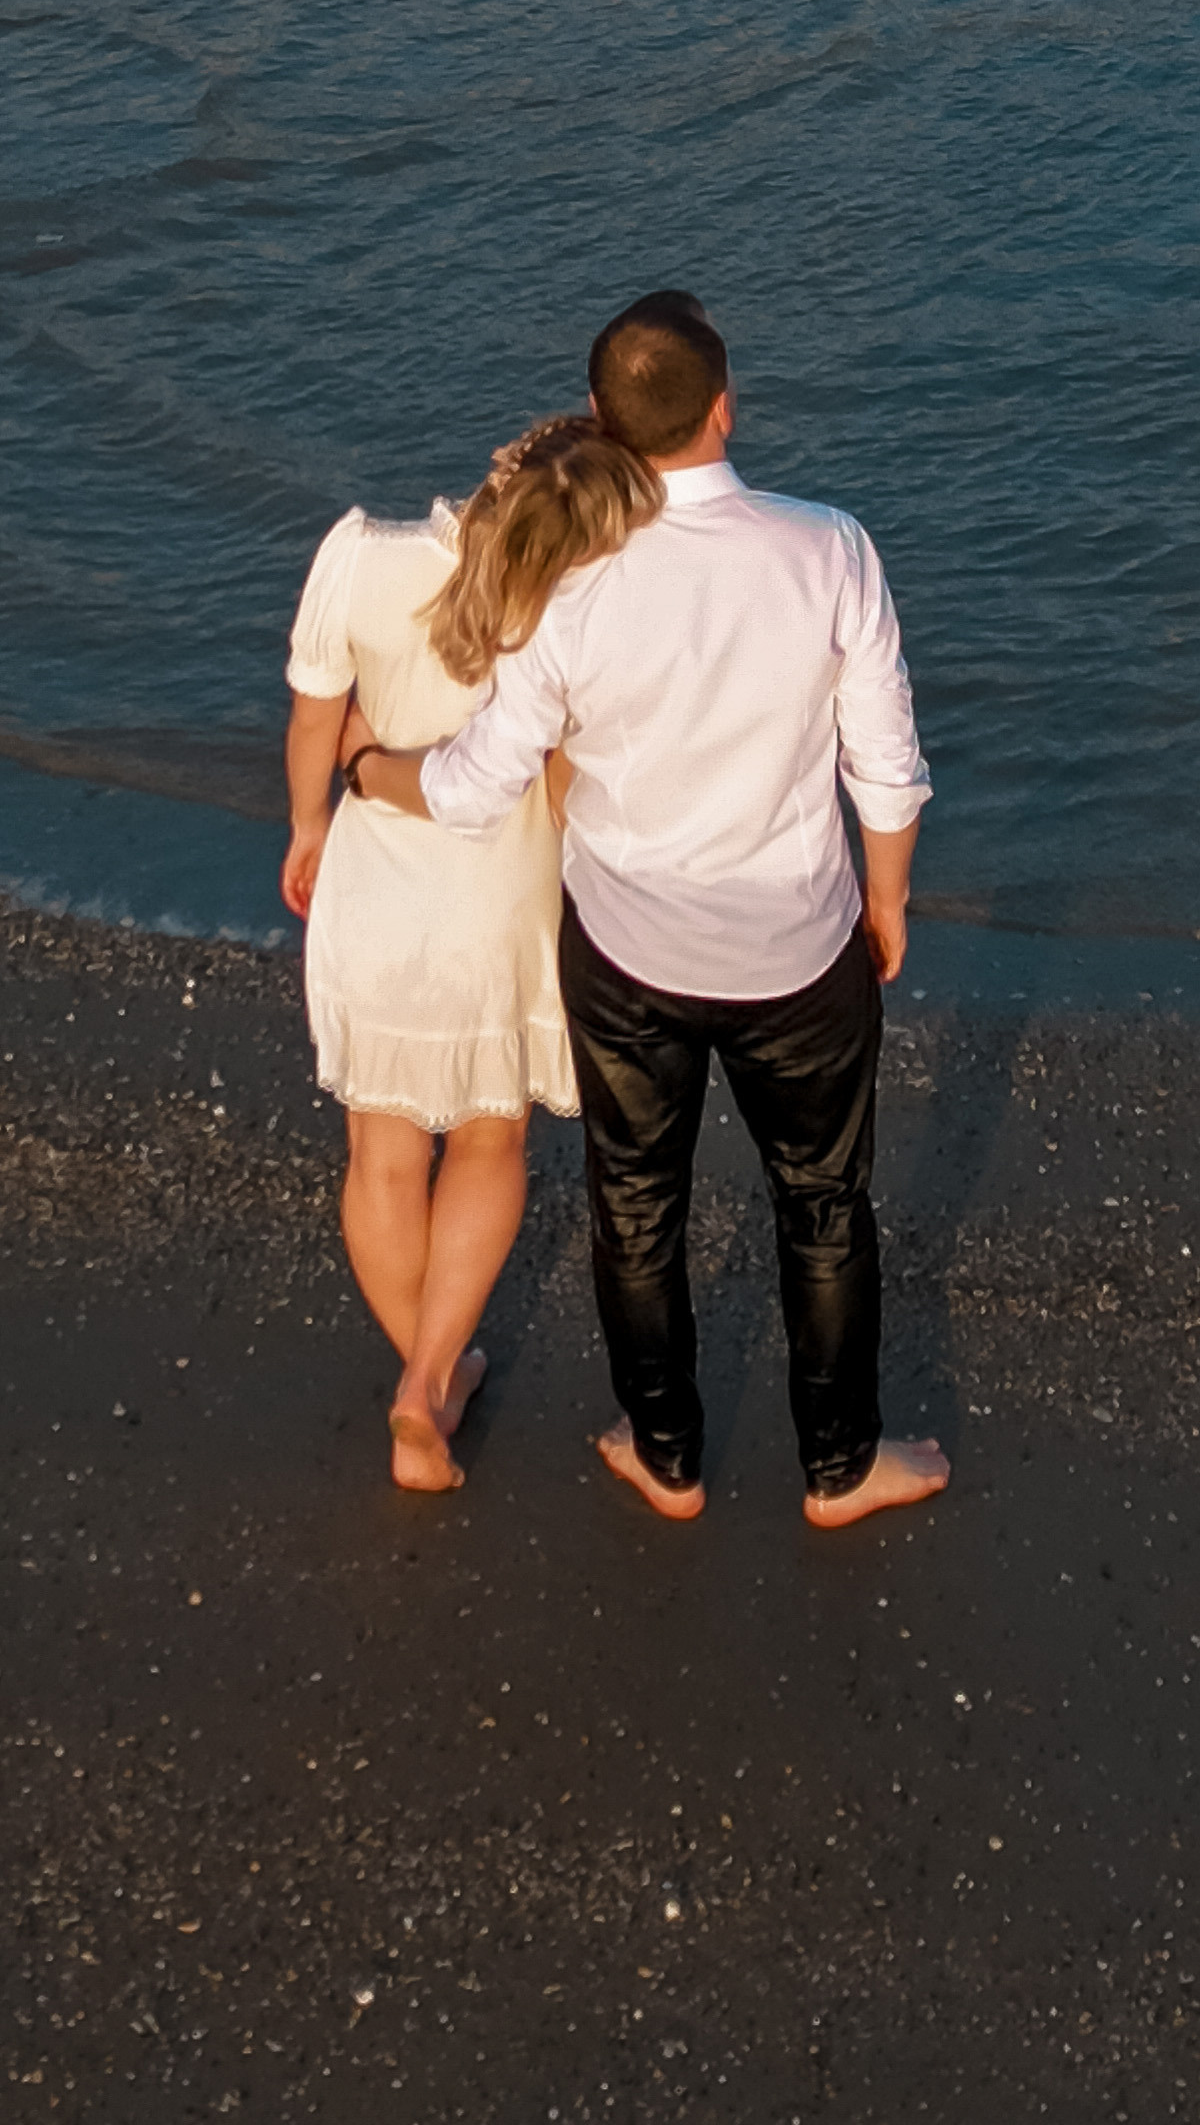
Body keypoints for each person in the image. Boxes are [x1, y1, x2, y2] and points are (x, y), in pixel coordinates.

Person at [345, 292, 947, 1530]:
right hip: (797, 943)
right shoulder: (830, 547)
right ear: (725, 406)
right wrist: (883, 901)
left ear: (605, 428)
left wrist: (367, 770)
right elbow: (882, 763)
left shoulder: (569, 582)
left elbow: (476, 786)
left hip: (626, 955)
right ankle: (839, 1467)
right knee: (822, 1205)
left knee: (634, 1204)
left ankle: (664, 1451)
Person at [283, 415, 662, 1491]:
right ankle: (428, 1379)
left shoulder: (359, 557)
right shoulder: (577, 601)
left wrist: (309, 823)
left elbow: (317, 723)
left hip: (378, 877)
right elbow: (567, 779)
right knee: (489, 1143)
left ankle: (427, 1375)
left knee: (382, 1153)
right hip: (500, 895)